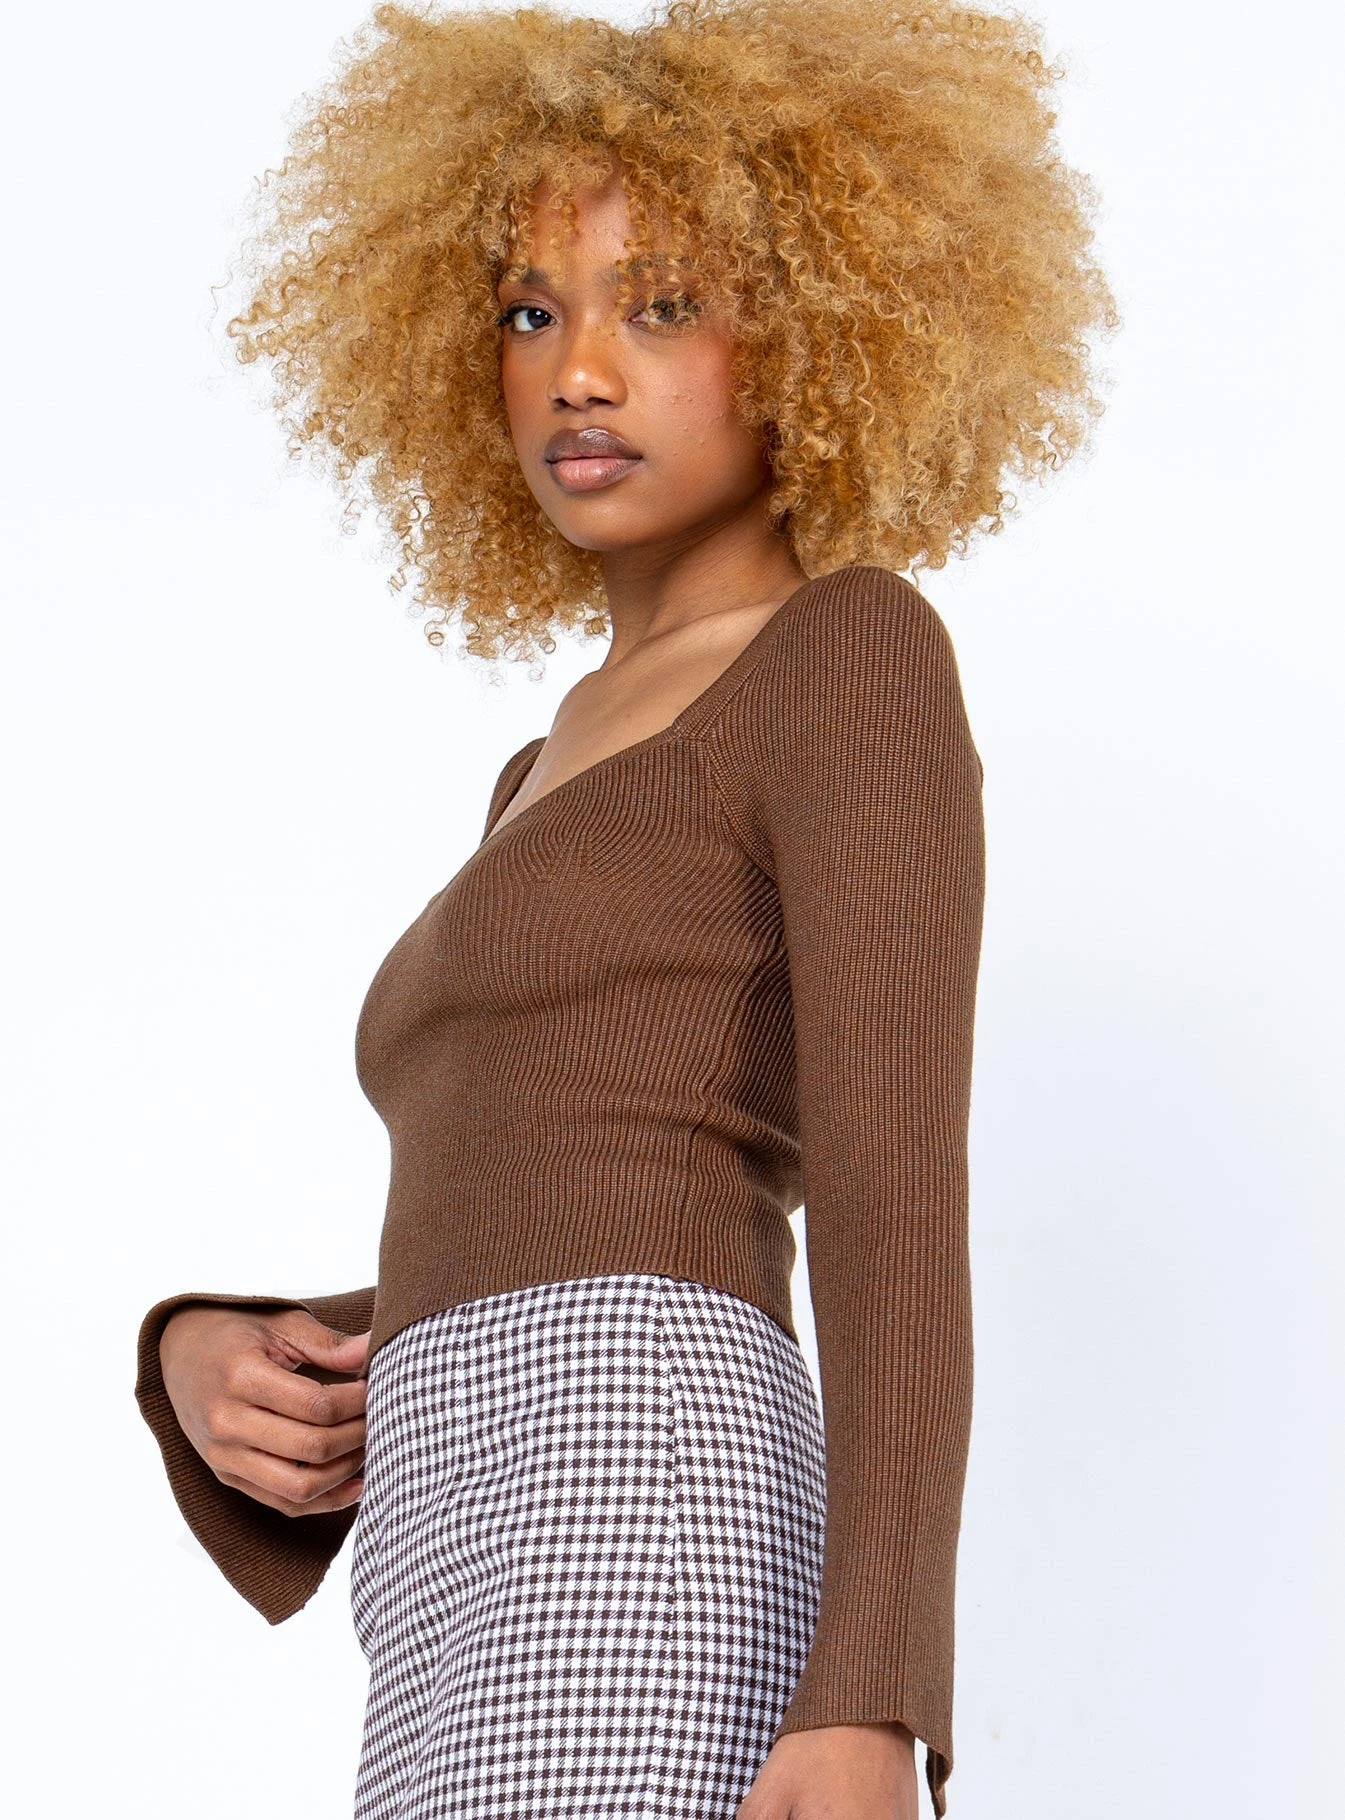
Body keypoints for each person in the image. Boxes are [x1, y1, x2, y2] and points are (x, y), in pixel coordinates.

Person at [132, 2, 1114, 1816]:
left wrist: (873, 1688)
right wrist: (217, 1349)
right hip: (448, 1534)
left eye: (661, 304)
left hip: (640, 1488)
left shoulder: (846, 654)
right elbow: (556, 1195)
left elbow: (894, 1195)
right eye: (531, 312)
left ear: (814, 334)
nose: (580, 371)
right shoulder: (540, 765)